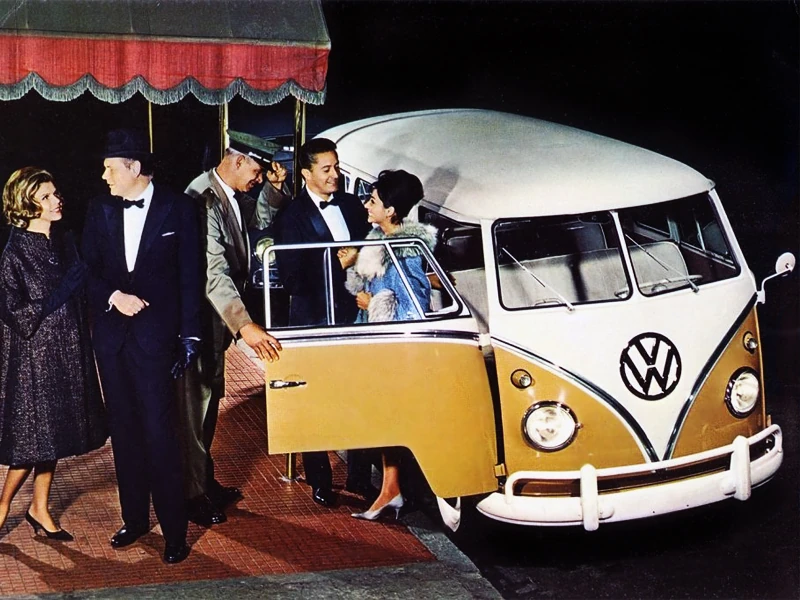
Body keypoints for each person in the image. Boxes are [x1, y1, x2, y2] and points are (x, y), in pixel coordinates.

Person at [81, 129, 201, 564]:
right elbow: (86, 270)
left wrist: (190, 336)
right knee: (125, 433)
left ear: (133, 167)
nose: (104, 176)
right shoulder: (99, 209)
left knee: (160, 435)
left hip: (157, 341)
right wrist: (115, 297)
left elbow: (191, 276)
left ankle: (174, 532)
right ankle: (133, 520)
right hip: (112, 342)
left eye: (110, 168)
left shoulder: (179, 208)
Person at [0, 167, 107, 541]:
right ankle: (2, 506)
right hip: (34, 361)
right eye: (45, 197)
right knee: (31, 441)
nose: (56, 200)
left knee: (54, 435)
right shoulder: (14, 252)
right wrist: (59, 293)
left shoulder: (63, 242)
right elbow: (14, 312)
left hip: (66, 353)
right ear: (25, 205)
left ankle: (39, 507)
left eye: (55, 193)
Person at [181, 140, 283, 527]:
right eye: (256, 172)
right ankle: (191, 496)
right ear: (238, 161)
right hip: (202, 320)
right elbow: (214, 272)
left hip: (214, 321)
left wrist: (273, 189)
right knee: (196, 411)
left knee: (208, 405)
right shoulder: (204, 199)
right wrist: (244, 324)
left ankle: (203, 482)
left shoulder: (228, 192)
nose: (258, 179)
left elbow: (255, 222)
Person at [272, 137, 376, 508]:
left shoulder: (351, 205)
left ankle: (360, 477)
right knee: (314, 401)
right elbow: (293, 280)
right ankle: (320, 480)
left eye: (337, 167)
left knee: (359, 397)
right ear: (305, 173)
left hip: (355, 317)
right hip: (313, 322)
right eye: (326, 169)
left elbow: (371, 248)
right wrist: (337, 263)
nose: (335, 175)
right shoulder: (291, 218)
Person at [340, 169, 437, 521]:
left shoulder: (405, 251)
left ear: (391, 210)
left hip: (392, 351)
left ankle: (392, 491)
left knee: (388, 419)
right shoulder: (380, 241)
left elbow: (414, 307)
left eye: (373, 201)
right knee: (382, 420)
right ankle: (390, 490)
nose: (367, 205)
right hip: (375, 345)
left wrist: (373, 304)